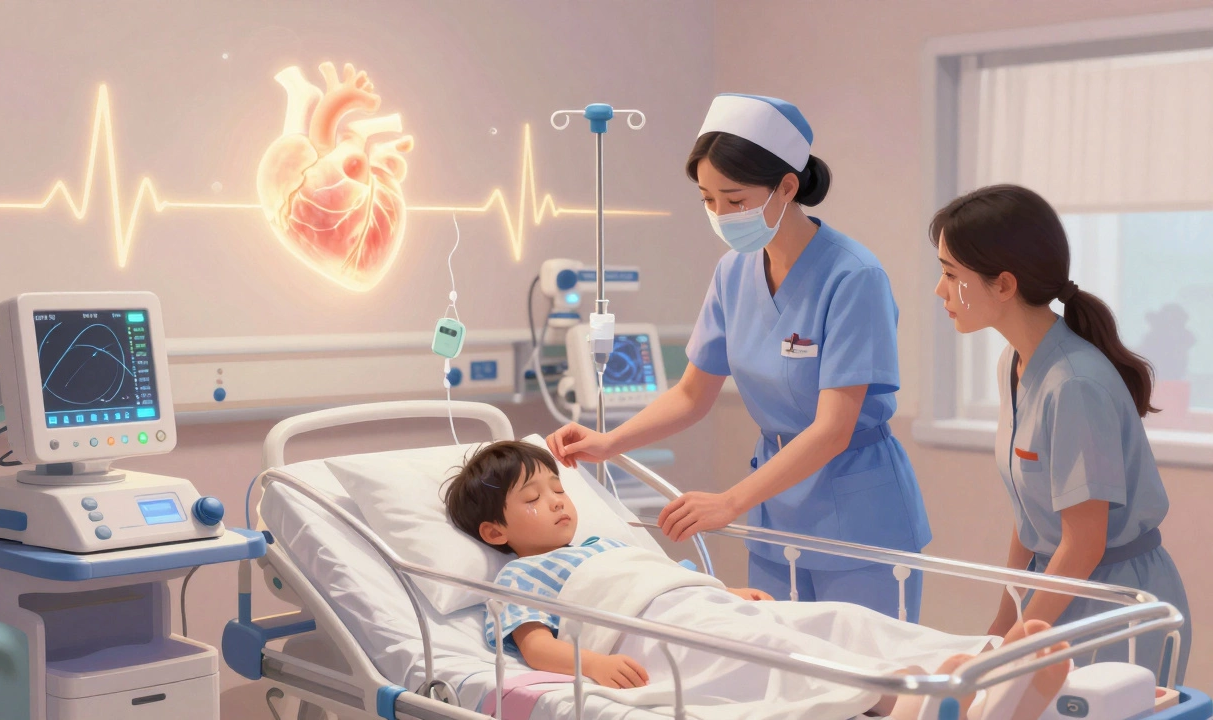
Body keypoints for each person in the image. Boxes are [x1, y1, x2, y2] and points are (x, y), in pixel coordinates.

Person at [546, 93, 931, 621]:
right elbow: (691, 394)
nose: (721, 215)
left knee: (868, 689)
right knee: (781, 675)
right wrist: (609, 443)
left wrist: (730, 502)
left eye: (735, 199)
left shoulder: (853, 277)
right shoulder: (733, 273)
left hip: (857, 512)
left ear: (787, 187)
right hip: (774, 509)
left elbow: (832, 430)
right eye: (707, 200)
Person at [443, 441, 1072, 720]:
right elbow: (535, 647)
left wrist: (722, 591)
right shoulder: (522, 575)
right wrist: (590, 667)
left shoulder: (607, 540)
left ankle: (978, 663)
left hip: (697, 608)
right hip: (652, 638)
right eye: (534, 498)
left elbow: (661, 575)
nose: (557, 501)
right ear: (496, 533)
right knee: (783, 654)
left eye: (559, 487)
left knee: (841, 619)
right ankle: (912, 702)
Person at [931, 184, 1191, 683]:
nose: (940, 290)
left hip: (1110, 602)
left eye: (949, 274)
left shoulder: (1073, 384)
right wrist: (1004, 620)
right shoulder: (1015, 362)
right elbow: (1031, 512)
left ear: (1003, 284)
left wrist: (1014, 644)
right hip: (1058, 585)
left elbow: (1084, 542)